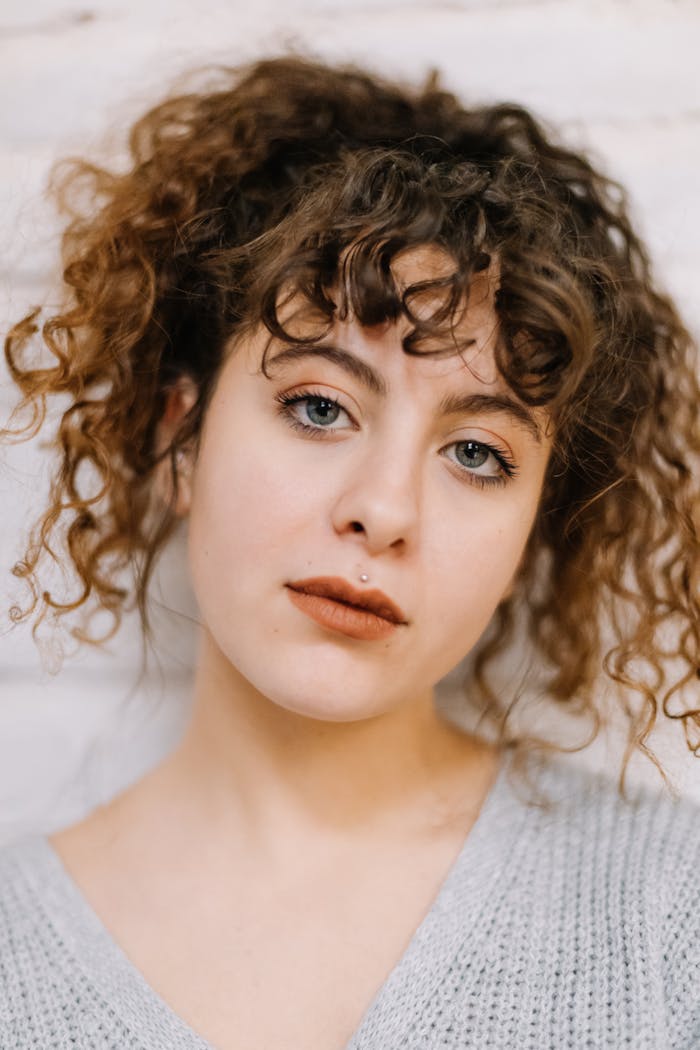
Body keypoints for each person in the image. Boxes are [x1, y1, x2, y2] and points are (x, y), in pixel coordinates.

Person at [0, 55, 698, 1050]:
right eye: (320, 407)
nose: (383, 510)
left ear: (533, 532)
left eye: (476, 453)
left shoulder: (669, 921)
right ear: (180, 441)